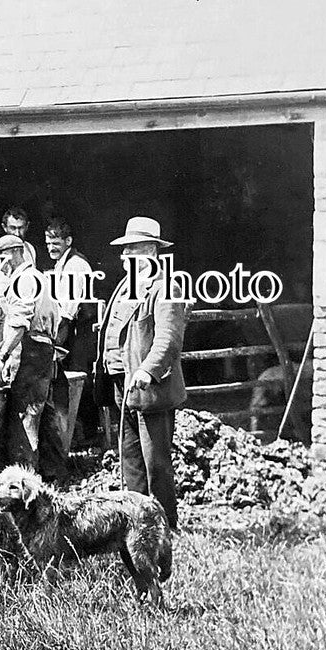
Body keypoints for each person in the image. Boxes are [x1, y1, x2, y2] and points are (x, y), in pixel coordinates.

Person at [95, 216, 191, 530]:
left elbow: (168, 338)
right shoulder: (125, 286)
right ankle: (137, 526)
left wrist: (148, 370)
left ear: (151, 251)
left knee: (155, 464)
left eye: (132, 249)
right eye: (124, 250)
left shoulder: (165, 287)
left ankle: (166, 528)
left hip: (150, 389)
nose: (124, 256)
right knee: (130, 459)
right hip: (121, 383)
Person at [0, 233, 64, 476]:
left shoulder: (24, 281)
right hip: (42, 350)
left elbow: (19, 324)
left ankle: (25, 481)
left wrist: (1, 357)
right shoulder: (37, 278)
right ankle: (50, 475)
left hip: (31, 352)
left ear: (11, 256)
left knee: (24, 417)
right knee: (39, 413)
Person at [44, 217, 99, 444]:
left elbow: (68, 309)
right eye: (48, 243)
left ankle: (90, 434)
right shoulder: (60, 264)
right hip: (71, 328)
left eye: (56, 243)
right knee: (71, 380)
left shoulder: (75, 265)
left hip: (80, 330)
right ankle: (74, 432)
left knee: (80, 379)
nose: (51, 247)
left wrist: (57, 342)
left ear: (68, 241)